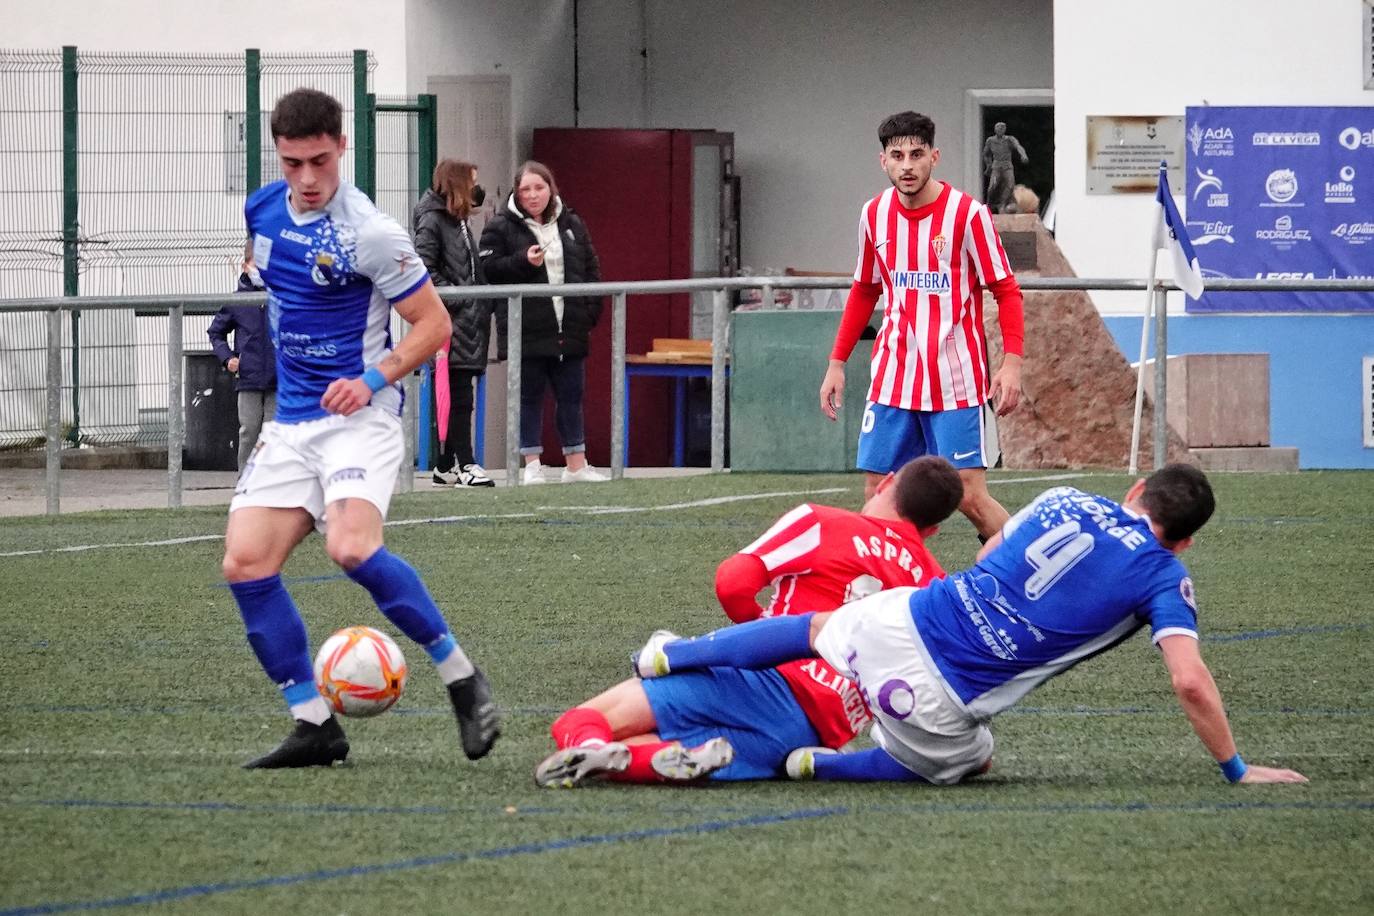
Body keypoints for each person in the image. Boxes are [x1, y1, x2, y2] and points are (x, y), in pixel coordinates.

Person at [634, 464, 1309, 787]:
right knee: (971, 759)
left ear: (1135, 491)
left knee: (815, 627)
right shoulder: (1165, 574)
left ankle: (671, 655)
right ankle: (818, 766)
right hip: (942, 700)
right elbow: (1189, 681)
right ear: (1184, 541)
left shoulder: (1065, 496)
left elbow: (990, 552)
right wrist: (1237, 769)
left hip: (907, 618)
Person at [222, 88, 500, 769]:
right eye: (293, 164)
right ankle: (314, 724)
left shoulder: (371, 232)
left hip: (360, 417)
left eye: (319, 161)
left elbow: (434, 325)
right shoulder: (262, 208)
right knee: (245, 564)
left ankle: (462, 678)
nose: (307, 179)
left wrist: (373, 378)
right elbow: (275, 281)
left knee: (349, 548)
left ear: (342, 146)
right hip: (292, 423)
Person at [532, 456, 965, 787]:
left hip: (767, 679)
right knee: (655, 749)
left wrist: (762, 634)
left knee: (580, 720)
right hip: (820, 729)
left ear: (885, 483)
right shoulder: (935, 585)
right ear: (930, 532)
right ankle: (656, 760)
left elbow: (732, 583)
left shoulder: (824, 522)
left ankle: (590, 747)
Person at [820, 111, 1026, 542]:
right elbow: (863, 290)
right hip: (894, 378)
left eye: (916, 154)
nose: (907, 164)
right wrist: (836, 362)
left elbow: (1006, 290)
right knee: (880, 492)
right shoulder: (873, 215)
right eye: (897, 155)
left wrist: (1011, 364)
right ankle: (882, 594)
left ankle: (1025, 578)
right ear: (884, 162)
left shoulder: (967, 215)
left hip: (955, 381)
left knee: (968, 495)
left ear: (934, 157)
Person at [478, 161, 607, 485]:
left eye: (539, 188)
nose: (533, 195)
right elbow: (490, 271)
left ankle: (576, 465)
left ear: (551, 189)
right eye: (526, 189)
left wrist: (589, 311)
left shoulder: (572, 222)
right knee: (528, 396)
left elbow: (591, 267)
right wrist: (523, 261)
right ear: (517, 193)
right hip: (527, 328)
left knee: (571, 395)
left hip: (570, 325)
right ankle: (532, 464)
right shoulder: (500, 227)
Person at [412, 158, 505, 488]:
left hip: (468, 321)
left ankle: (444, 463)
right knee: (459, 395)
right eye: (472, 183)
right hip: (452, 323)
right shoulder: (433, 221)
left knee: (458, 392)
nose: (476, 190)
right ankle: (467, 464)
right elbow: (423, 270)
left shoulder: (458, 221)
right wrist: (459, 299)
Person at [207, 241, 277, 471]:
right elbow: (216, 332)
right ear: (245, 266)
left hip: (279, 378)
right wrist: (228, 358)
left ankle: (270, 482)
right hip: (248, 377)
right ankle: (244, 483)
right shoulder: (238, 300)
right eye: (257, 264)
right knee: (248, 430)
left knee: (272, 433)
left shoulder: (282, 297)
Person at [982, 121, 1029, 214]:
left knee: (1010, 185)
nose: (1000, 130)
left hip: (1007, 166)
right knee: (992, 186)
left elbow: (1018, 146)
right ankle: (989, 204)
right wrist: (988, 165)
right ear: (995, 130)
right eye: (998, 128)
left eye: (1002, 128)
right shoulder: (990, 141)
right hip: (996, 166)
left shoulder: (1009, 139)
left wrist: (1023, 155)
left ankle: (1002, 204)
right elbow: (986, 154)